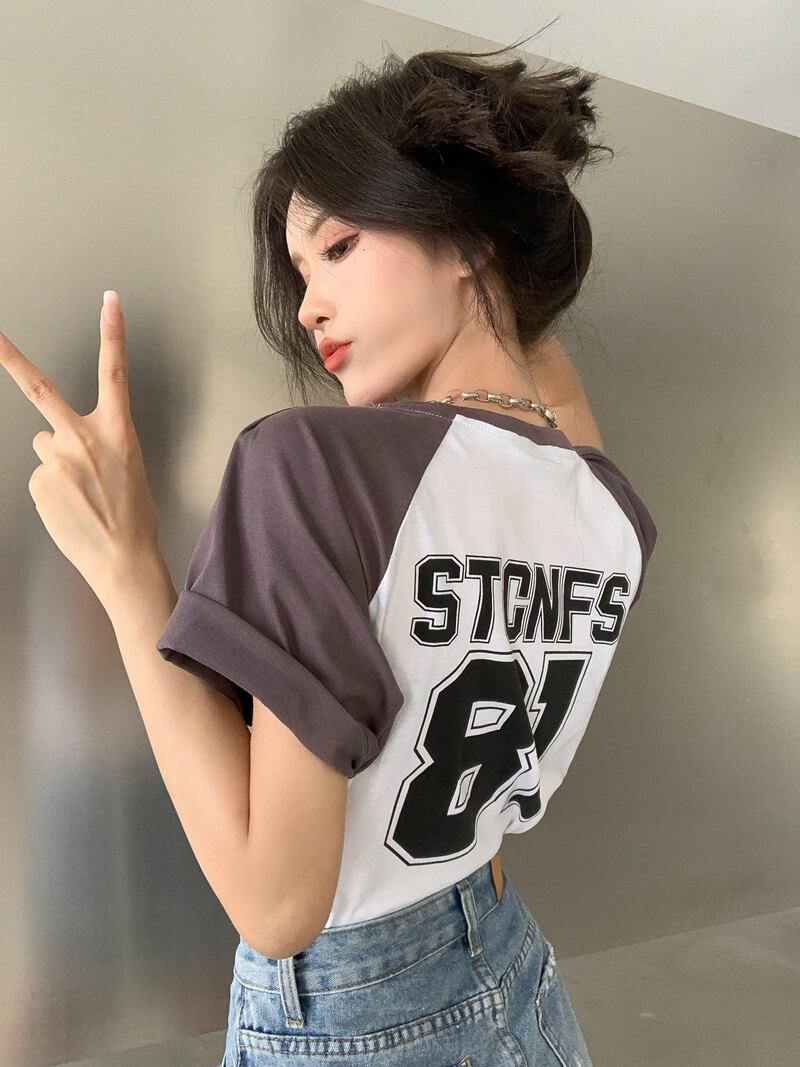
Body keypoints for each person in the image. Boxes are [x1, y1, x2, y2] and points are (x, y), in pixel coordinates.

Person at [156, 33, 657, 1066]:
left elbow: (276, 906)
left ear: (460, 231)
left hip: (354, 1016)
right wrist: (488, 239)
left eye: (337, 247)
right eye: (299, 271)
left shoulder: (308, 464)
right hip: (513, 968)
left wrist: (124, 568)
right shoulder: (609, 508)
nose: (307, 306)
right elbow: (543, 386)